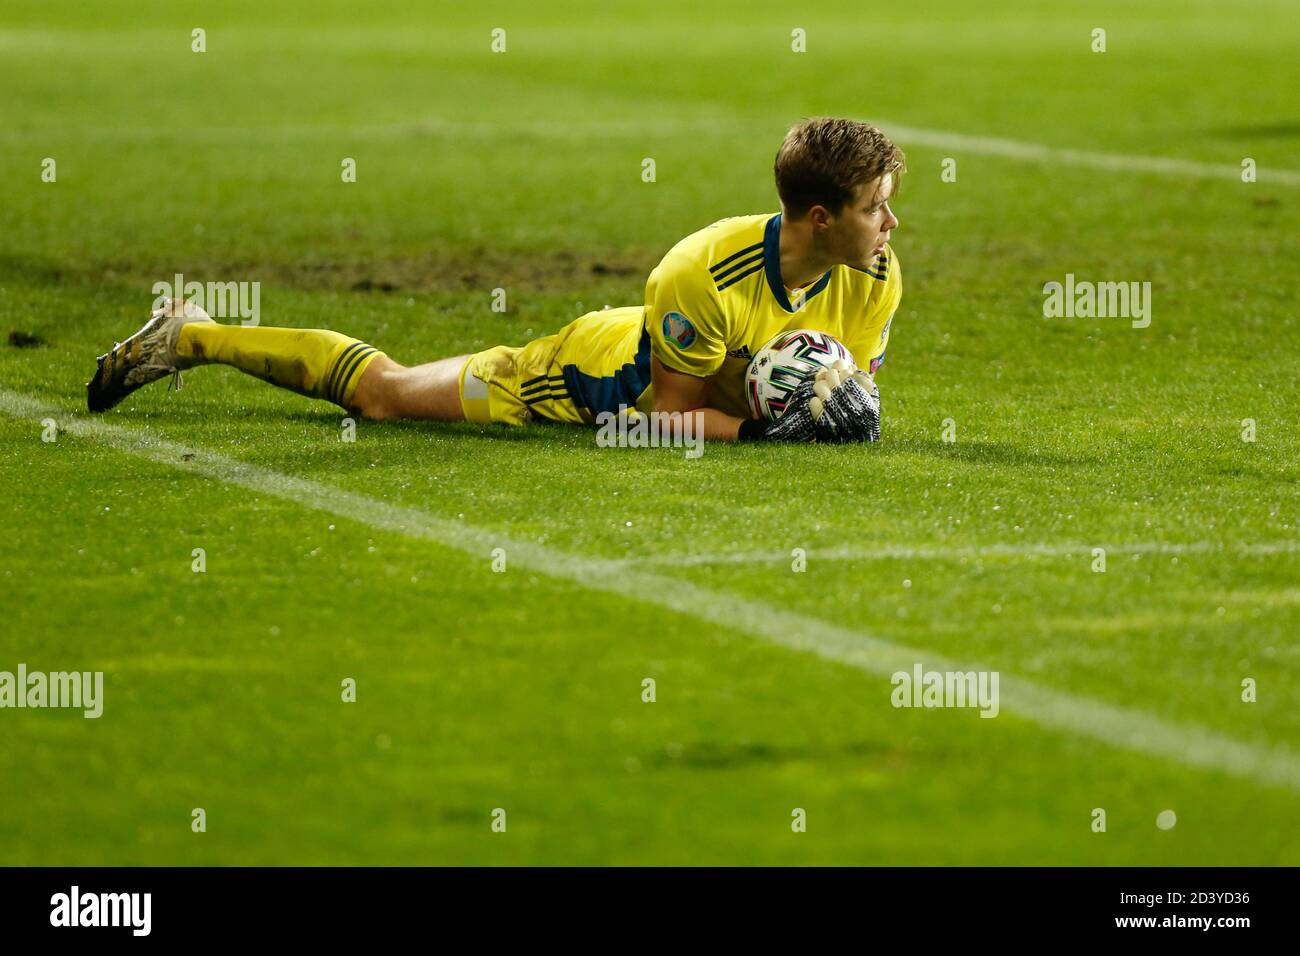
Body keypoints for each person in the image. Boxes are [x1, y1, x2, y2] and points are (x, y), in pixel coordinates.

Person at [87, 117, 903, 443]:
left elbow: (847, 381)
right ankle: (193, 332)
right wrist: (764, 431)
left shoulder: (874, 274)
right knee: (386, 397)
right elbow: (662, 420)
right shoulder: (699, 275)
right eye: (875, 208)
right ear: (820, 217)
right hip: (584, 378)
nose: (891, 227)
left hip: (677, 368)